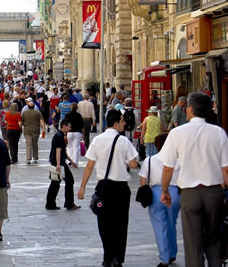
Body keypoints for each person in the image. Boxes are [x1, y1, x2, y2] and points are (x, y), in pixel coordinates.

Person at [159, 92, 228, 267]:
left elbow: (168, 167)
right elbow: (227, 168)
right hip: (214, 192)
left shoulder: (177, 133)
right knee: (214, 239)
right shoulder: (218, 133)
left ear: (190, 109)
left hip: (190, 193)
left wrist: (165, 191)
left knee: (192, 242)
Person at [77, 109, 139, 267]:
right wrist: (123, 162)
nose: (125, 123)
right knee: (121, 223)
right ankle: (118, 258)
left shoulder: (97, 140)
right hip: (121, 188)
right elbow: (133, 164)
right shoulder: (124, 141)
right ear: (116, 123)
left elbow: (90, 165)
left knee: (104, 223)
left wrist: (82, 187)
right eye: (123, 121)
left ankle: (107, 255)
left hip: (104, 187)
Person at [138, 132, 180, 267]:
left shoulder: (150, 160)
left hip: (156, 193)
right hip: (175, 192)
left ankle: (164, 258)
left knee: (160, 225)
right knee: (172, 222)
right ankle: (173, 252)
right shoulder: (179, 160)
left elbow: (143, 180)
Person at [46, 118, 80, 211]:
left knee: (55, 182)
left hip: (59, 161)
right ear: (64, 126)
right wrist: (58, 164)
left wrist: (71, 161)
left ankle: (50, 203)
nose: (70, 128)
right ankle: (69, 203)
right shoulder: (60, 136)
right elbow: (58, 150)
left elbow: (63, 151)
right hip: (59, 162)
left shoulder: (60, 135)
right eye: (69, 126)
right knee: (68, 181)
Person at [21, 98, 46, 164]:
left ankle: (28, 158)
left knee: (28, 144)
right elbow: (41, 121)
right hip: (36, 130)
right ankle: (35, 157)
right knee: (35, 143)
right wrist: (44, 129)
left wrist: (21, 128)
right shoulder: (38, 113)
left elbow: (21, 122)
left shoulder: (24, 113)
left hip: (27, 130)